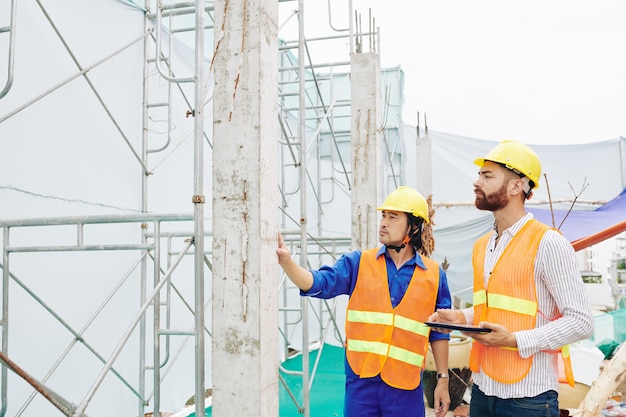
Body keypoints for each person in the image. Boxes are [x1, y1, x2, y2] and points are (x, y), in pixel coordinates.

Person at [428, 140, 594, 417]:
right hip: (482, 390)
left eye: (487, 175)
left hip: (529, 399)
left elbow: (581, 322)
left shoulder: (548, 242)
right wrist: (463, 318)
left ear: (517, 186)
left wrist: (515, 340)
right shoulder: (482, 245)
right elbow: (498, 306)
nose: (476, 182)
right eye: (479, 175)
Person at [277, 186, 452, 417]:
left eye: (393, 217)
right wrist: (288, 264)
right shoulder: (358, 263)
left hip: (405, 386)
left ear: (414, 227)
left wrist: (443, 379)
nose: (383, 223)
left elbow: (440, 332)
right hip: (361, 383)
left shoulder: (434, 276)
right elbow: (319, 282)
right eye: (383, 216)